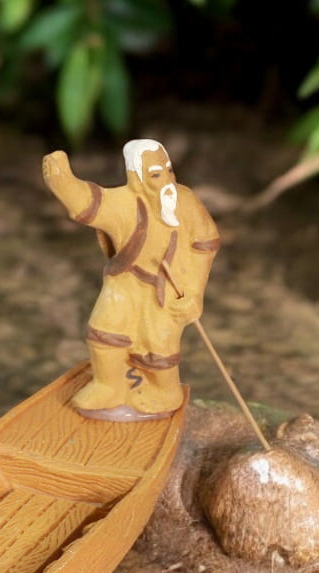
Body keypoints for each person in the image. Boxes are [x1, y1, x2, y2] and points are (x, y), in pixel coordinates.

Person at [43, 139, 220, 419]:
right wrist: (62, 180)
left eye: (168, 170)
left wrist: (194, 292)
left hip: (169, 288)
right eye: (155, 174)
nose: (166, 180)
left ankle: (164, 392)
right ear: (136, 178)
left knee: (158, 343)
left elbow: (205, 244)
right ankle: (109, 385)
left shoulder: (185, 200)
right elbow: (88, 203)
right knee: (105, 329)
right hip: (127, 281)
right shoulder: (123, 202)